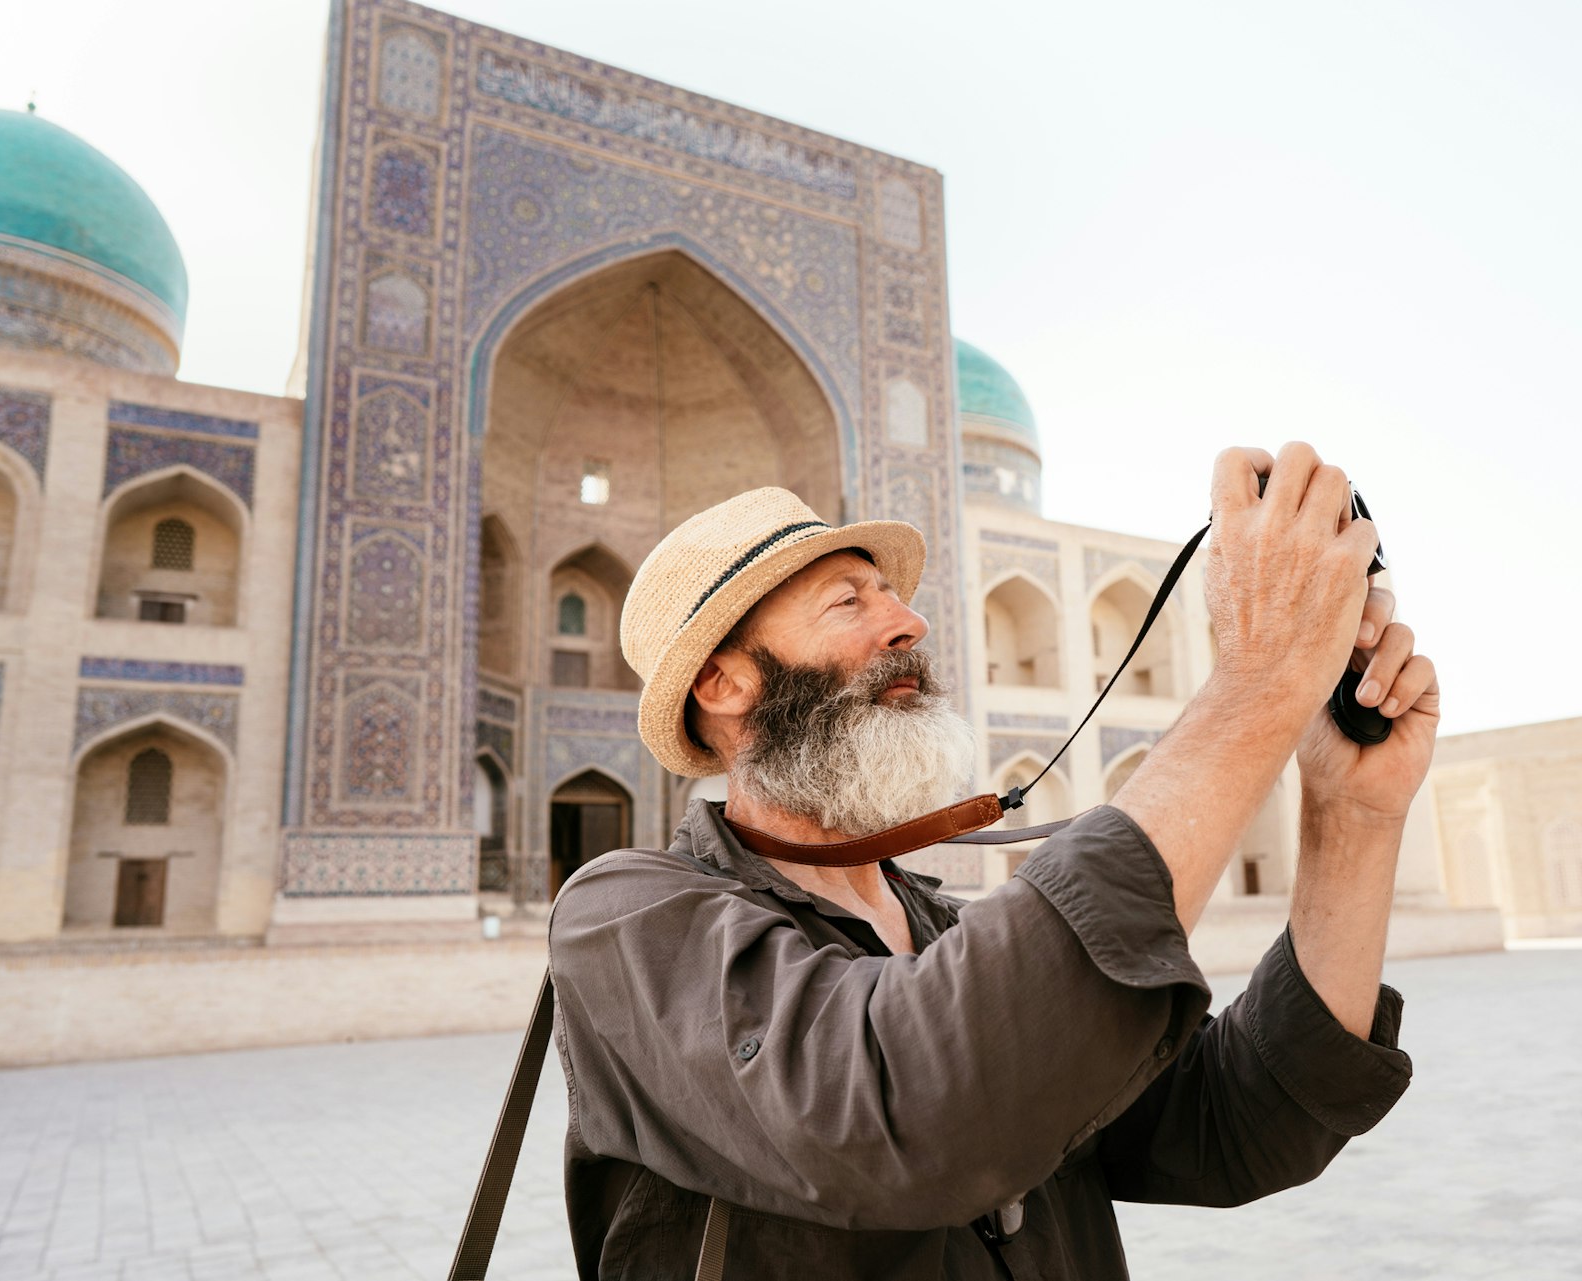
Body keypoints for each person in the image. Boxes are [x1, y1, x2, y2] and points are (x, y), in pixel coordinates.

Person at [549, 442, 1439, 1279]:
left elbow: (1242, 1121)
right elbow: (905, 1109)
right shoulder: (627, 920)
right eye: (849, 601)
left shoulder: (948, 935)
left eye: (891, 594)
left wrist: (1352, 812)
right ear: (725, 682)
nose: (909, 621)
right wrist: (1257, 687)